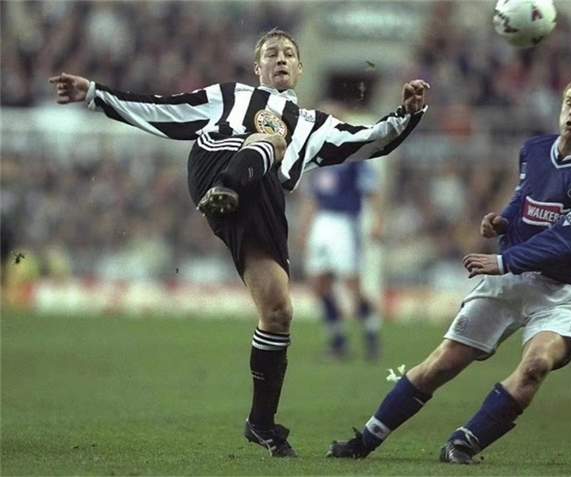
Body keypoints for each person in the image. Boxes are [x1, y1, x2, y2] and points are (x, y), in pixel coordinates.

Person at [49, 28, 429, 458]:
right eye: (271, 53)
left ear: (301, 68)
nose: (281, 58)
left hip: (261, 198)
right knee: (272, 134)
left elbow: (369, 140)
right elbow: (164, 109)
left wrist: (408, 113)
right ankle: (227, 187)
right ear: (257, 68)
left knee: (279, 312)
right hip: (217, 167)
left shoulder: (315, 126)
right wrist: (94, 93)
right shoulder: (229, 96)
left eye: (289, 53)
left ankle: (261, 424)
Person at [327, 77, 571, 463]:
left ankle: (464, 443)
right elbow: (525, 199)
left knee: (536, 365)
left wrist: (504, 260)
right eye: (570, 103)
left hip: (564, 291)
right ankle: (365, 440)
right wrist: (504, 221)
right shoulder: (534, 151)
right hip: (512, 280)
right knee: (442, 362)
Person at [297, 153, 384, 362]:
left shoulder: (355, 158)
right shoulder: (318, 157)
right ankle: (338, 341)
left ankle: (371, 331)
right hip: (321, 223)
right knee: (319, 284)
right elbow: (312, 198)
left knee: (351, 284)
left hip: (346, 223)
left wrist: (378, 221)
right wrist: (305, 228)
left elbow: (373, 191)